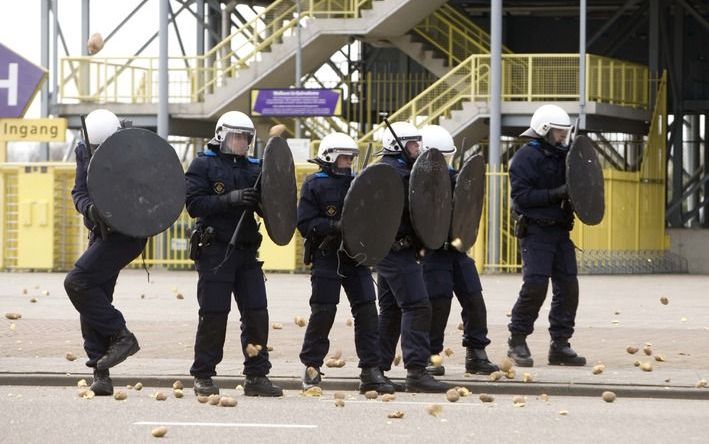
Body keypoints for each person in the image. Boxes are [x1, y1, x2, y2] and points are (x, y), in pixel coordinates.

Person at [185, 111, 282, 397]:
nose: (242, 142)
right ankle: (203, 375)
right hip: (216, 250)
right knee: (214, 314)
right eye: (237, 136)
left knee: (256, 313)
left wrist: (266, 204)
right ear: (222, 136)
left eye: (246, 138)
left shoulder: (255, 168)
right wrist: (230, 199)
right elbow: (194, 204)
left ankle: (256, 375)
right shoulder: (204, 164)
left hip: (246, 251)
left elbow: (275, 205)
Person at [297, 132, 395, 395]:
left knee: (367, 313)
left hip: (356, 259)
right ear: (330, 156)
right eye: (343, 158)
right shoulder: (314, 184)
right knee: (323, 312)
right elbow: (305, 223)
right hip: (327, 257)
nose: (348, 163)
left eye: (351, 158)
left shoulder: (360, 183)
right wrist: (334, 226)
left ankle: (371, 370)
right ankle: (311, 366)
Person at [64, 108, 146, 396]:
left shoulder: (133, 151)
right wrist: (90, 209)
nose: (99, 152)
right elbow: (79, 192)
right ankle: (101, 372)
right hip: (100, 232)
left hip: (126, 235)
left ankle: (123, 336)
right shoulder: (84, 151)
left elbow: (148, 191)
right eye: (95, 147)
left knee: (77, 282)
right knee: (95, 298)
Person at [506, 104, 586, 367]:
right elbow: (521, 198)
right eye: (559, 133)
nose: (563, 137)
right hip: (536, 230)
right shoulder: (525, 158)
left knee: (568, 286)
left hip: (560, 231)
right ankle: (517, 340)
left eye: (565, 132)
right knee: (536, 284)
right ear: (544, 130)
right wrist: (555, 194)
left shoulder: (565, 156)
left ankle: (560, 344)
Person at [419, 125, 499, 376]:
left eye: (447, 157)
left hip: (456, 249)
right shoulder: (416, 182)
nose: (444, 163)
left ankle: (476, 353)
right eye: (440, 158)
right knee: (438, 302)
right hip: (432, 251)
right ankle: (429, 356)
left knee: (474, 298)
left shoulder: (455, 178)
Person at [376, 121, 450, 393]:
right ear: (398, 145)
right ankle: (416, 371)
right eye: (413, 144)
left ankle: (376, 369)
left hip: (393, 249)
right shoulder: (397, 172)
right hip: (396, 251)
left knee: (392, 311)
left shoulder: (394, 169)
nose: (418, 148)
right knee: (417, 306)